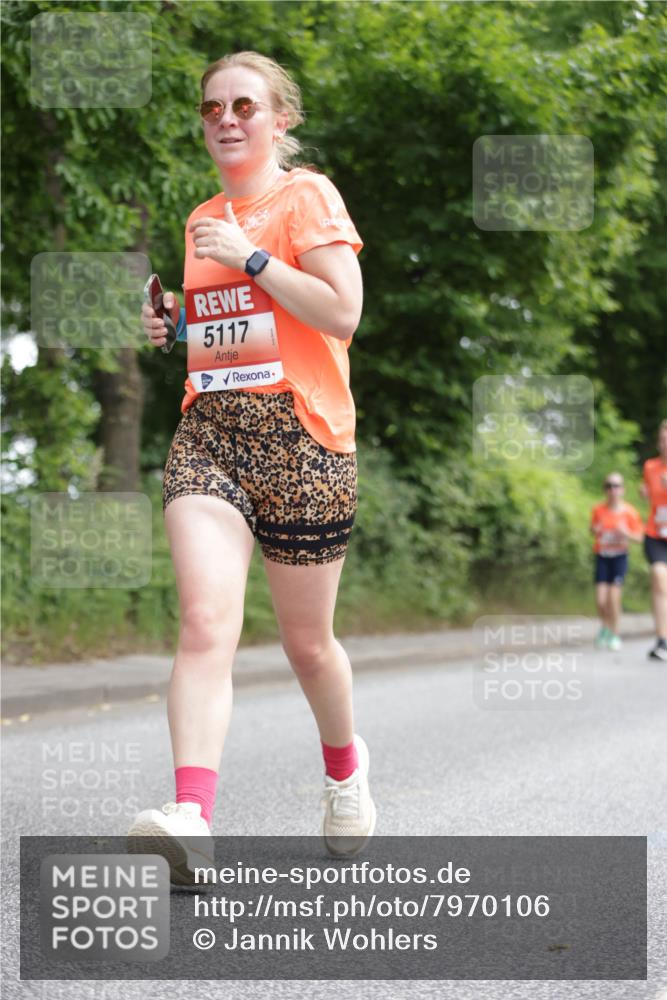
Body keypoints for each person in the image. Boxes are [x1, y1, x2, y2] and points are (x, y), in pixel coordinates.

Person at [128, 51, 375, 881]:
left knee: (308, 647)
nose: (225, 120)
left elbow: (340, 314)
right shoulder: (203, 218)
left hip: (303, 442)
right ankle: (190, 814)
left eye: (243, 106)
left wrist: (251, 259)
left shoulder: (305, 197)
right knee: (204, 624)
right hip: (212, 439)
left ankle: (344, 769)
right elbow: (241, 339)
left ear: (280, 119)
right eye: (211, 109)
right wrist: (178, 331)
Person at [590, 473, 643, 651]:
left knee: (613, 597)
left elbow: (640, 537)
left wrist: (625, 532)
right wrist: (595, 529)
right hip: (602, 556)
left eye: (616, 486)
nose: (613, 490)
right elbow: (593, 529)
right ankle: (605, 627)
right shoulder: (598, 510)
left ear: (623, 489)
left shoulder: (630, 512)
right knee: (600, 600)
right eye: (609, 486)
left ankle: (614, 633)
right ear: (605, 489)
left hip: (619, 557)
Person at [640, 419, 667, 661]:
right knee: (659, 578)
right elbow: (647, 491)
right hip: (656, 534)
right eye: (662, 441)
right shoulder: (650, 467)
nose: (665, 446)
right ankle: (662, 641)